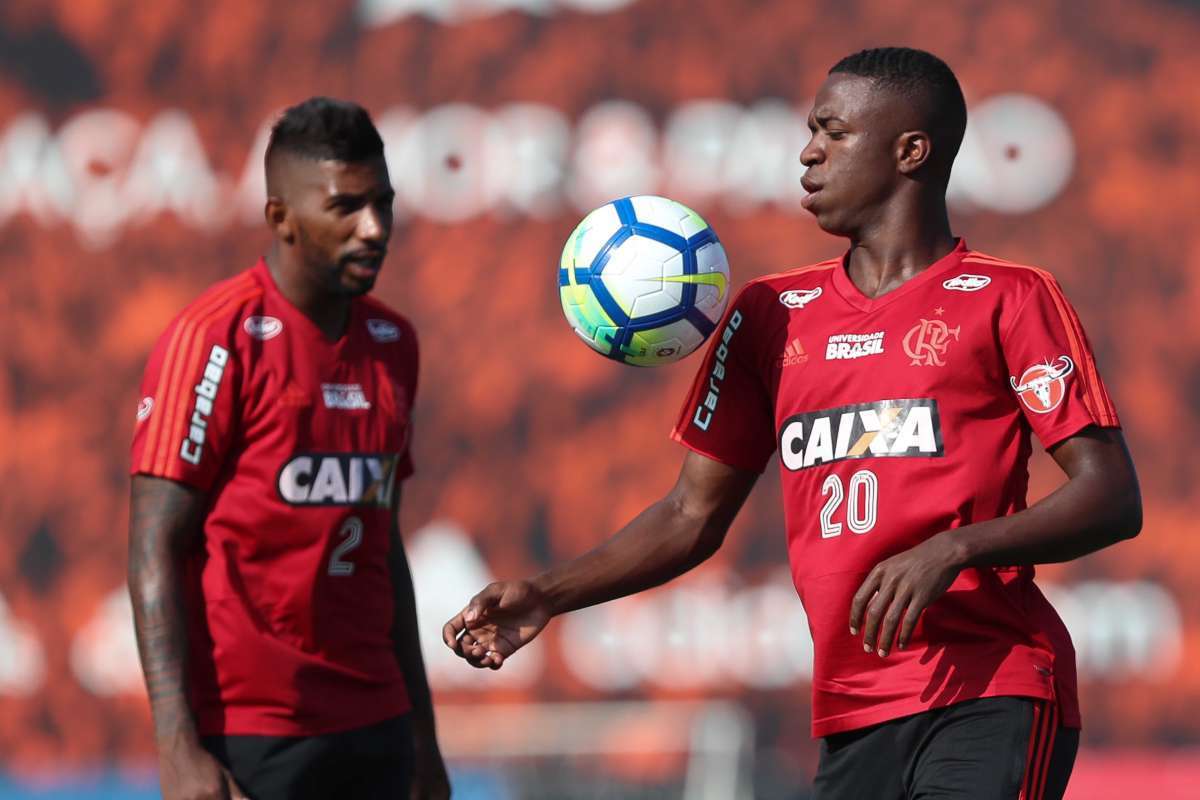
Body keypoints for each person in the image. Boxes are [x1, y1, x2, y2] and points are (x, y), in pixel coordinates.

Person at [442, 47, 1141, 800]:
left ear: (910, 151)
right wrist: (548, 594)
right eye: (810, 130)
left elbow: (1110, 495)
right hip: (851, 708)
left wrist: (955, 548)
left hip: (990, 686)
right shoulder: (768, 315)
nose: (807, 152)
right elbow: (690, 515)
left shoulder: (1007, 297)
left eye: (833, 132)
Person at [128, 97, 450, 800]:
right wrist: (177, 746)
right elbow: (153, 544)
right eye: (346, 207)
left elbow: (380, 541)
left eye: (384, 204)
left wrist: (422, 734)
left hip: (377, 721)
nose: (375, 229)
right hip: (253, 730)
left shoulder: (395, 343)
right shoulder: (214, 337)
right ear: (281, 218)